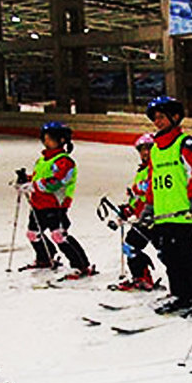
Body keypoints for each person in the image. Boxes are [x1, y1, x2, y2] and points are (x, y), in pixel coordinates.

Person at [142, 96, 192, 317]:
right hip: (164, 215)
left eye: (162, 117)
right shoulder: (155, 149)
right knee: (169, 257)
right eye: (155, 118)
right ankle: (181, 294)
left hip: (187, 215)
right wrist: (149, 205)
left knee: (190, 257)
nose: (158, 122)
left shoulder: (185, 143)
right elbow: (153, 179)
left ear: (175, 117)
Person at [15, 121, 95, 279]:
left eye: (50, 138)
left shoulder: (64, 161)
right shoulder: (42, 160)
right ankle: (45, 257)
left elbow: (56, 182)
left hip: (55, 205)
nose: (46, 142)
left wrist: (33, 186)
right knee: (33, 234)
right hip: (38, 204)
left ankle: (81, 265)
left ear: (62, 140)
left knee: (59, 235)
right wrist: (26, 180)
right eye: (44, 138)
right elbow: (40, 178)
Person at [113, 133, 158, 291]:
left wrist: (139, 190)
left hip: (157, 218)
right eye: (142, 150)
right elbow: (137, 198)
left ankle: (184, 287)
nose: (145, 153)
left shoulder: (158, 168)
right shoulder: (142, 171)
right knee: (130, 245)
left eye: (149, 149)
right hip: (143, 219)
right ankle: (141, 277)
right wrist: (128, 209)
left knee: (168, 253)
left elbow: (151, 190)